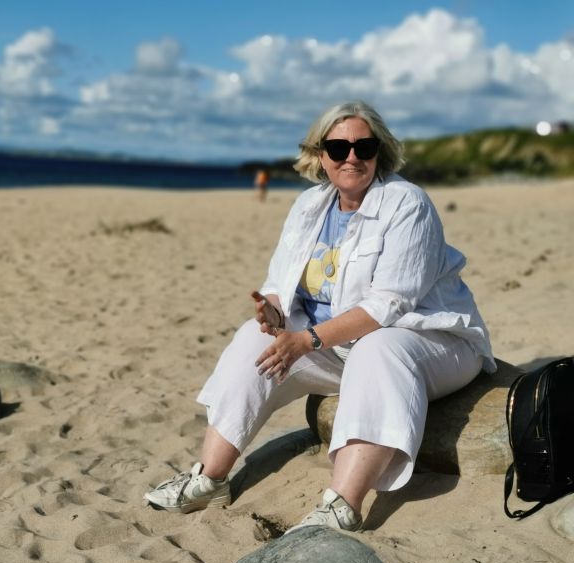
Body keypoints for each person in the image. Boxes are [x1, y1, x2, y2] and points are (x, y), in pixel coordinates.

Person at [143, 100, 495, 532]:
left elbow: (390, 304)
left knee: (378, 347)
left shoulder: (407, 203)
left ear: (380, 152)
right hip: (338, 347)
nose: (352, 157)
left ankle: (343, 504)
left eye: (365, 147)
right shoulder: (310, 205)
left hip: (431, 340)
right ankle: (209, 479)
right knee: (253, 339)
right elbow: (279, 282)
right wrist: (273, 311)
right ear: (320, 155)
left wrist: (306, 340)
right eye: (339, 148)